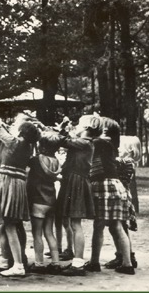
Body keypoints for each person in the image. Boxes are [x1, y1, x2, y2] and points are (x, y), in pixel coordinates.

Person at [0, 109, 39, 277]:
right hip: (17, 184)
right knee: (13, 224)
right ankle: (17, 261)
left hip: (8, 183)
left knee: (8, 224)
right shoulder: (26, 146)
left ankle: (17, 264)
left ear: (22, 132)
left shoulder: (15, 143)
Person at [85, 117, 134, 275]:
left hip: (104, 186)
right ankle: (127, 263)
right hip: (115, 186)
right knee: (117, 226)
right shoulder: (108, 144)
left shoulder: (98, 142)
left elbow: (81, 141)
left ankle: (94, 262)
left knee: (98, 226)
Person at [56, 114, 98, 276]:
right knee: (74, 223)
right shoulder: (83, 143)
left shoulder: (84, 143)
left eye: (79, 124)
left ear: (87, 128)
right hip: (73, 181)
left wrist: (62, 130)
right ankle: (77, 261)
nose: (76, 126)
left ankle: (78, 264)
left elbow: (64, 141)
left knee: (75, 223)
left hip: (77, 183)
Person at [26, 131, 63, 275]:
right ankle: (55, 263)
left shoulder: (36, 160)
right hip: (51, 201)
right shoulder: (56, 162)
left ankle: (39, 263)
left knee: (37, 234)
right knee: (49, 232)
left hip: (38, 201)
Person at [104, 136, 140, 269]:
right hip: (123, 196)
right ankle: (123, 255)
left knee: (120, 227)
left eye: (121, 145)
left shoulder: (125, 162)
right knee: (117, 227)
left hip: (121, 196)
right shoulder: (127, 162)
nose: (117, 148)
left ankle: (127, 257)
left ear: (129, 149)